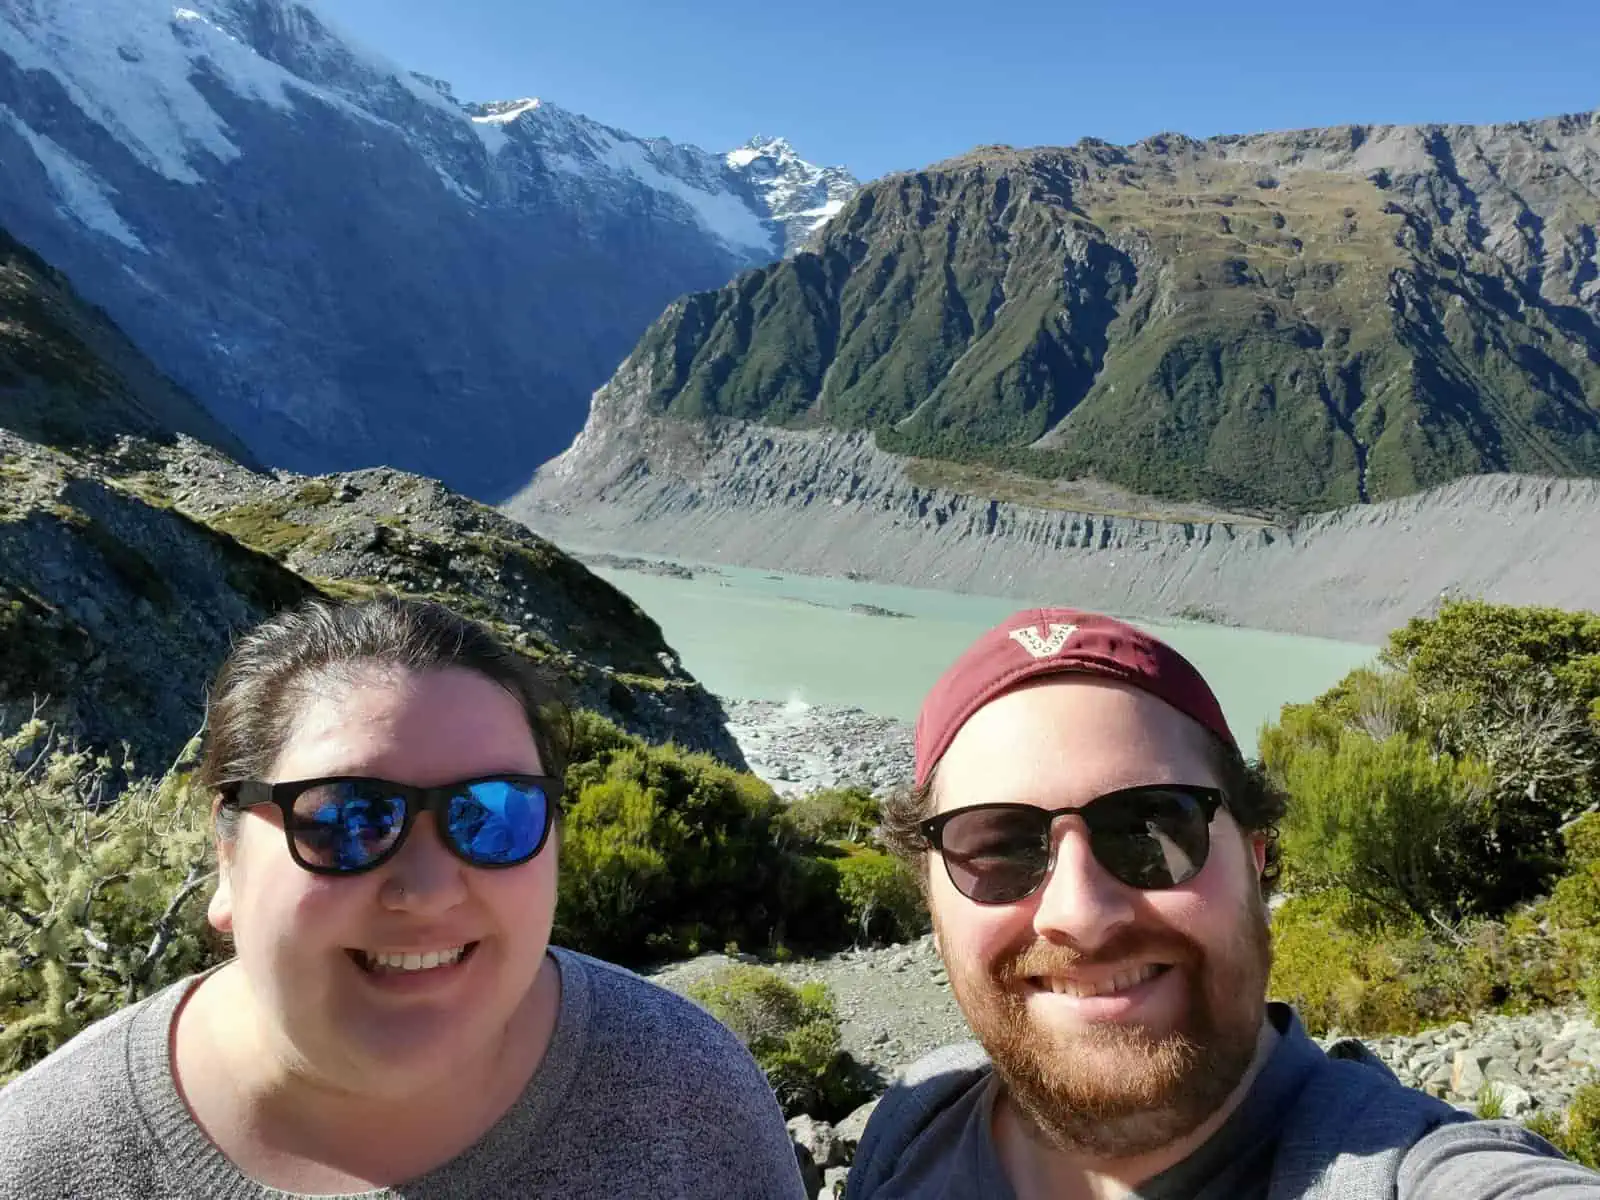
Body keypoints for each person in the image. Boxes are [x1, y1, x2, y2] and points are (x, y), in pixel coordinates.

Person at [0, 595, 806, 1200]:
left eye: (494, 814)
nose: (424, 891)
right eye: (346, 818)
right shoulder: (41, 1160)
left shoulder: (691, 1099)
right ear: (227, 851)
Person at [848, 608, 1600, 1199]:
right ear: (932, 897)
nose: (1078, 912)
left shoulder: (1410, 1170)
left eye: (1151, 825)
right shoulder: (917, 1123)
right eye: (999, 845)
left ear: (1257, 858)